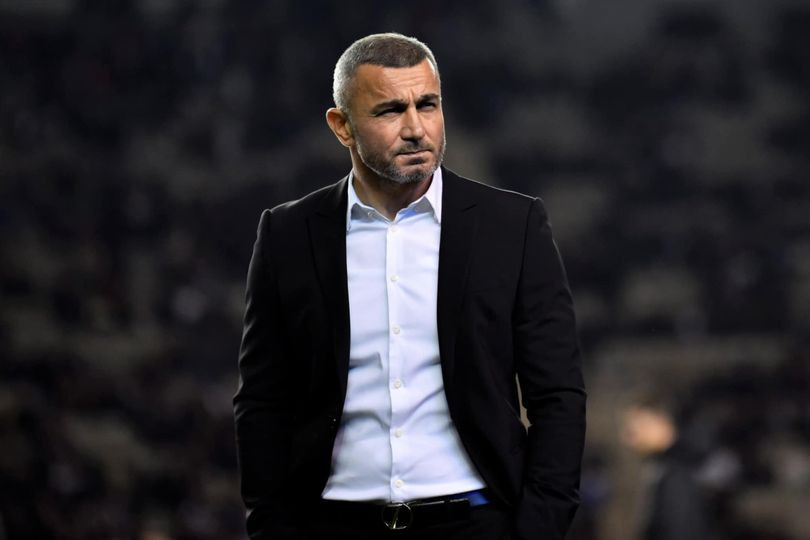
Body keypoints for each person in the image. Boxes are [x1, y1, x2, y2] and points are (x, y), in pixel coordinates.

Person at [233, 32, 586, 540]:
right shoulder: (287, 234)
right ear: (342, 126)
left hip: (476, 523)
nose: (416, 128)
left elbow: (558, 394)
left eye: (428, 104)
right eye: (390, 110)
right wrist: (272, 527)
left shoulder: (514, 225)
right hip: (333, 525)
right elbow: (262, 400)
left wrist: (538, 528)